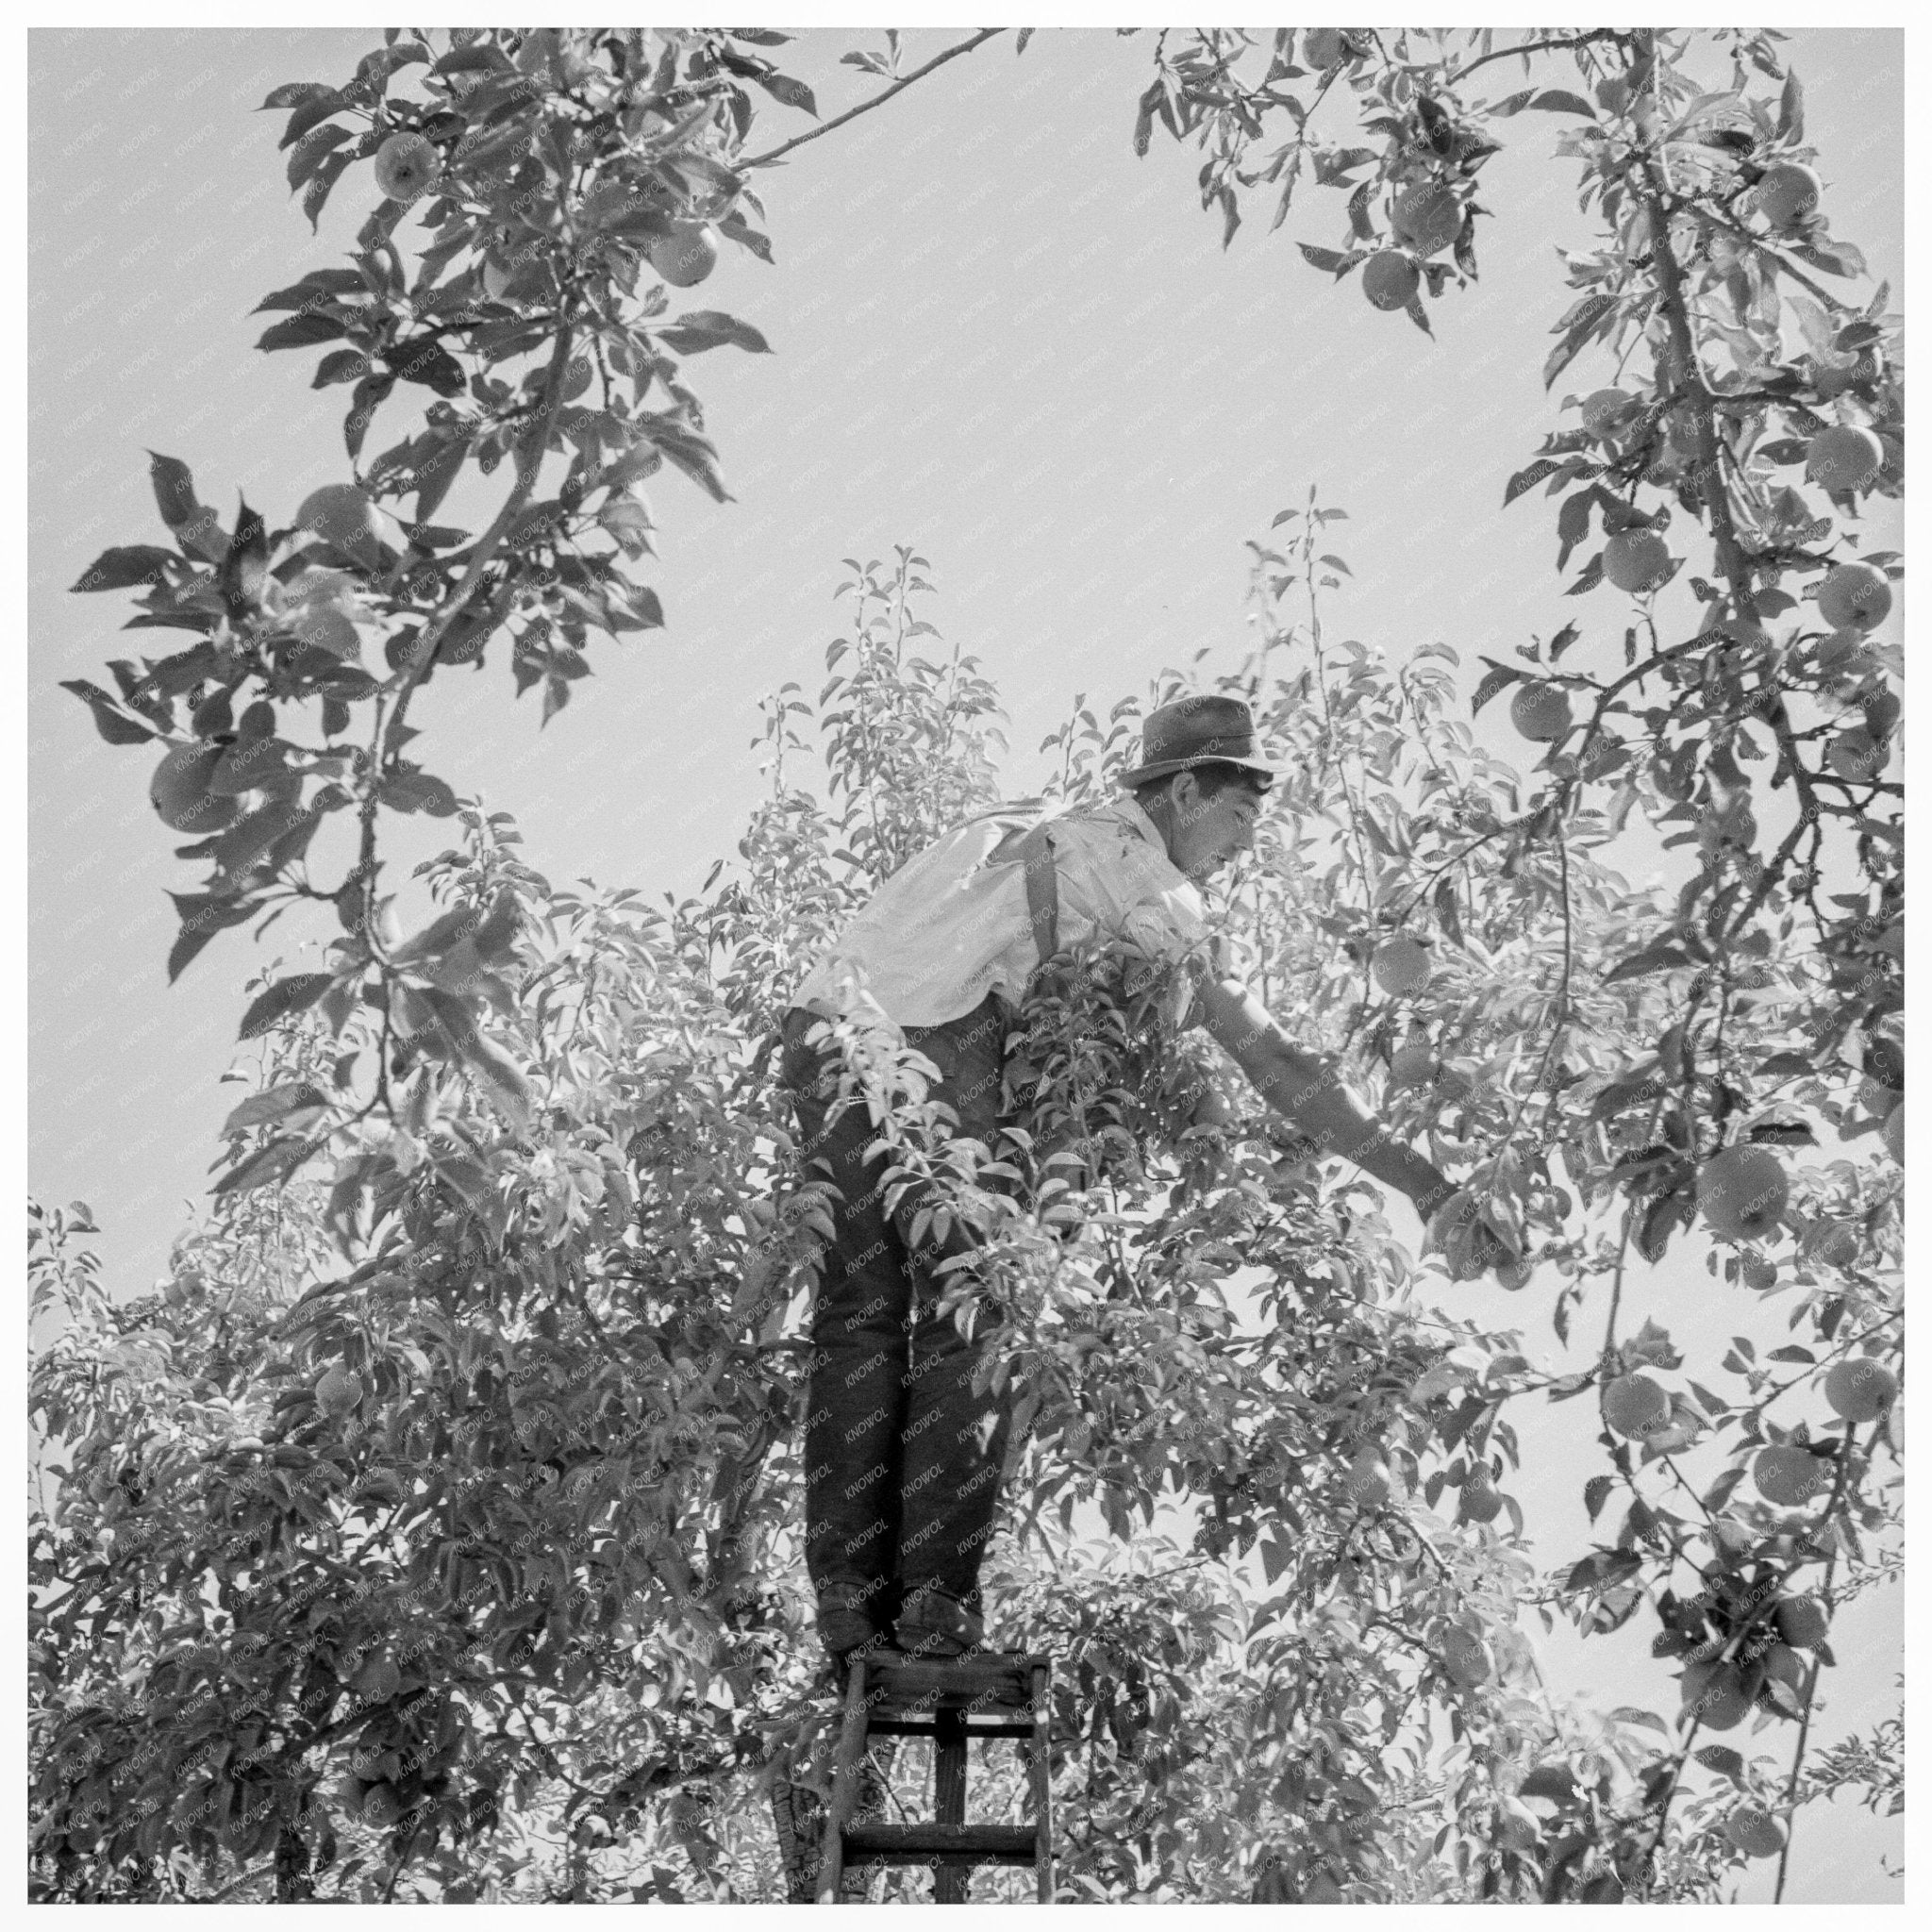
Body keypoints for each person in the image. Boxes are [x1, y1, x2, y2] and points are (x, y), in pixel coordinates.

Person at [775, 694, 1513, 1666]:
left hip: (823, 1036)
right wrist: (1420, 1179)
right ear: (1177, 791)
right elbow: (1277, 1065)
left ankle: (845, 1596)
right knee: (974, 1317)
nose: (1243, 845)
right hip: (944, 1050)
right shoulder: (1139, 879)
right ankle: (931, 1606)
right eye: (1238, 816)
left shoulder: (1004, 827)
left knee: (857, 1320)